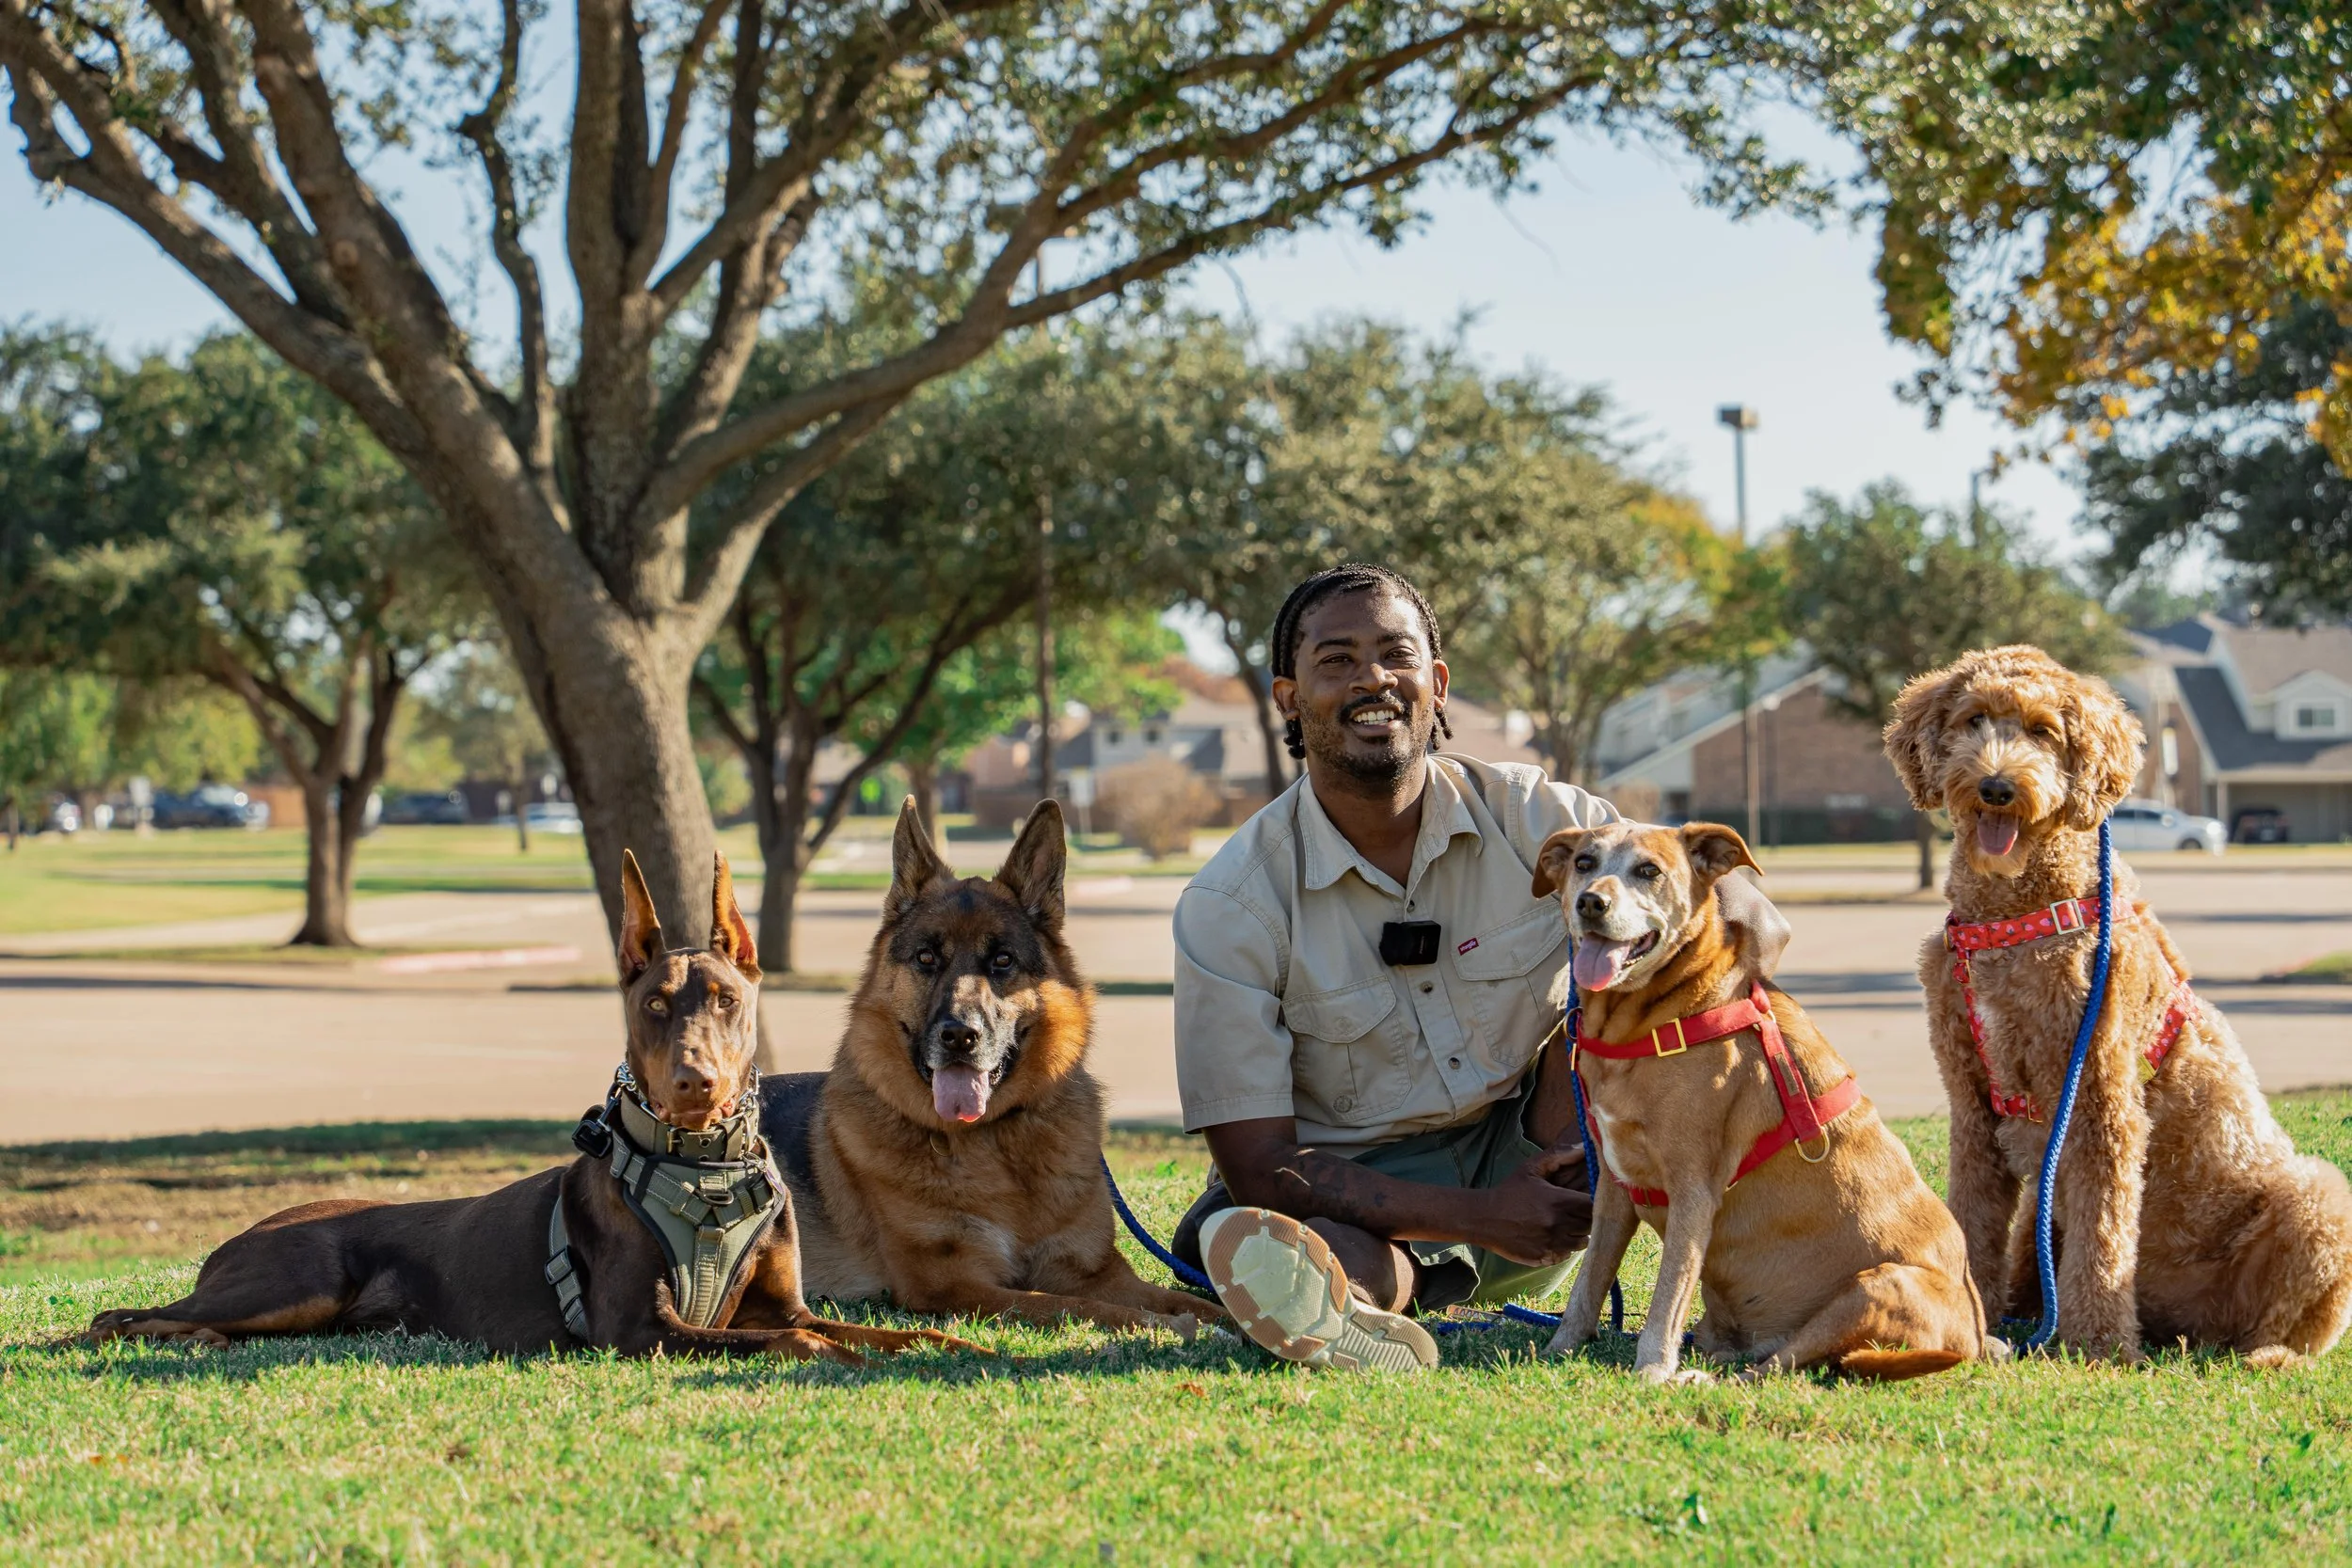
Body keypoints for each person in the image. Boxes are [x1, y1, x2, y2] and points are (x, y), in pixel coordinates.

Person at [1170, 563, 1788, 1371]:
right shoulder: (1232, 901)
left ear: (1438, 681)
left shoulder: (1541, 817)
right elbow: (1258, 1163)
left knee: (1604, 1034)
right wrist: (1488, 1215)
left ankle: (1750, 1274)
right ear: (1288, 697)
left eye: (1397, 654)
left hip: (1543, 1158)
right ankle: (1362, 1300)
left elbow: (1740, 909)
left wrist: (1669, 1059)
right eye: (1336, 660)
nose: (1374, 680)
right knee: (1321, 1252)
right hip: (1358, 1186)